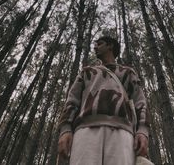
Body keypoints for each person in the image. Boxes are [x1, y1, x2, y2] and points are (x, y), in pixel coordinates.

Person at [58, 36, 150, 165]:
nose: (95, 47)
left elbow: (140, 103)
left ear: (110, 46)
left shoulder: (127, 73)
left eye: (99, 44)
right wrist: (65, 129)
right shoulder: (86, 72)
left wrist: (143, 131)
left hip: (122, 133)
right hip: (85, 132)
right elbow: (72, 101)